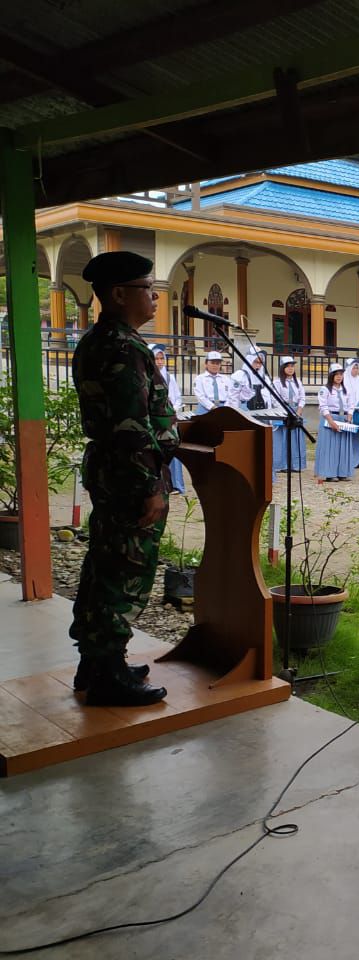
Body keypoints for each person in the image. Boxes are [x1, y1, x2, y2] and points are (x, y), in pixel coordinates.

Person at [69, 251, 173, 706]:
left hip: (110, 472)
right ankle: (108, 676)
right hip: (130, 477)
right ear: (117, 294)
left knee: (104, 563)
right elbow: (132, 428)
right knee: (125, 571)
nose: (154, 297)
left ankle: (96, 662)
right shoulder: (123, 348)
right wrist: (151, 487)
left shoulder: (98, 341)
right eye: (146, 289)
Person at [149, 344, 186, 495]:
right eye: (156, 358)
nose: (159, 361)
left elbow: (177, 397)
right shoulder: (148, 376)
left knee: (172, 449)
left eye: (161, 358)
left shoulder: (169, 377)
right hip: (154, 419)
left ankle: (176, 484)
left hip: (169, 419)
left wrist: (173, 409)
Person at [315, 363, 357, 482]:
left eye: (341, 374)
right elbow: (323, 406)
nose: (339, 377)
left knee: (343, 445)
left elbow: (351, 404)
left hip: (343, 418)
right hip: (330, 418)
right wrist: (331, 421)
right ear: (331, 375)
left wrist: (349, 418)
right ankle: (329, 473)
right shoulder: (325, 389)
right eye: (336, 374)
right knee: (330, 446)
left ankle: (343, 472)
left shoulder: (346, 390)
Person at [272, 356, 308, 473]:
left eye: (292, 366)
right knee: (283, 438)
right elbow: (275, 399)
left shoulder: (298, 382)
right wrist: (284, 412)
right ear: (282, 368)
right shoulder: (277, 382)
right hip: (283, 411)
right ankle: (283, 465)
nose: (290, 369)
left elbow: (302, 397)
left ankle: (296, 464)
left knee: (296, 438)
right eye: (287, 366)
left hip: (296, 411)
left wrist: (299, 410)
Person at [192, 350, 233, 415]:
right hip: (205, 408)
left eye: (217, 363)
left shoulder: (226, 379)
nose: (215, 365)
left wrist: (225, 408)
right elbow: (200, 397)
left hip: (223, 408)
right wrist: (213, 407)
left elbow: (230, 395)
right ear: (206, 363)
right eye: (212, 363)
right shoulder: (199, 379)